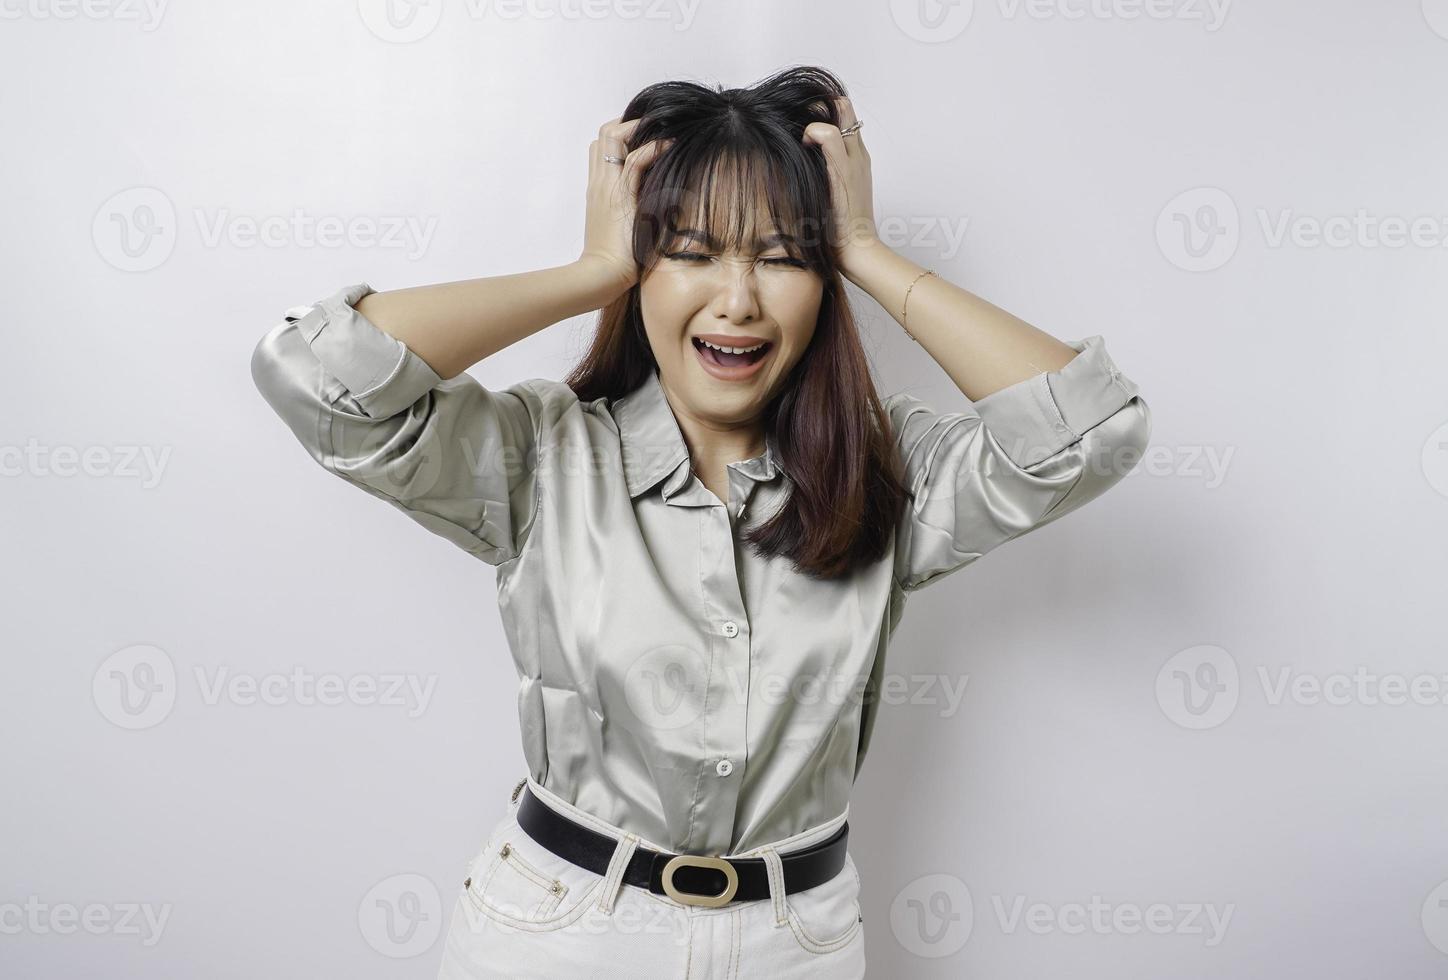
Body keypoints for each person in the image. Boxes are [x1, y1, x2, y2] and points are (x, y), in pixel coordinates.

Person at [250, 65, 1151, 979]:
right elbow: (313, 372)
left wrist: (868, 249)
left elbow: (1094, 430)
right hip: (561, 936)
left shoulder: (889, 472)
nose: (738, 300)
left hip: (799, 944)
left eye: (782, 255)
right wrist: (592, 271)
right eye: (689, 250)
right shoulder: (540, 456)